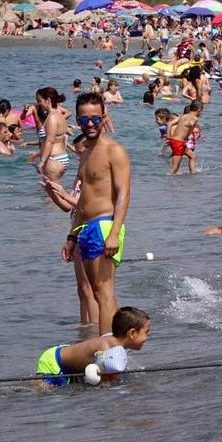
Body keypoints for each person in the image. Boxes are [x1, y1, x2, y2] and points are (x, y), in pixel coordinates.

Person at [45, 92, 130, 335]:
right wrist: (72, 237)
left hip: (104, 226)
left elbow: (124, 195)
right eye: (84, 120)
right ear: (78, 122)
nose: (90, 124)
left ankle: (106, 350)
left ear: (104, 117)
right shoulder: (86, 155)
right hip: (86, 227)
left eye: (95, 119)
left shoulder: (114, 151)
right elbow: (83, 201)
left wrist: (114, 233)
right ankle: (113, 346)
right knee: (98, 291)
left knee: (103, 292)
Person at [35, 306, 151, 387]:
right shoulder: (106, 348)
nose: (148, 337)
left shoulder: (114, 342)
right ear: (132, 333)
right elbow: (98, 379)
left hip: (66, 356)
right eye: (146, 332)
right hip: (54, 361)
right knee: (45, 390)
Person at [35, 86, 71, 184]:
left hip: (54, 158)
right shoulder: (59, 115)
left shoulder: (52, 117)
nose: (39, 104)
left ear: (48, 100)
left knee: (51, 195)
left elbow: (50, 141)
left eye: (40, 101)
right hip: (60, 157)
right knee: (51, 193)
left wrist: (42, 161)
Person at [165, 103, 199, 175]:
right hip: (178, 142)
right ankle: (167, 182)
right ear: (199, 110)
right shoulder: (195, 118)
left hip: (177, 141)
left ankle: (193, 174)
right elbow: (189, 130)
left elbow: (169, 124)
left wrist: (168, 137)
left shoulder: (182, 116)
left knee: (192, 156)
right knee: (175, 168)